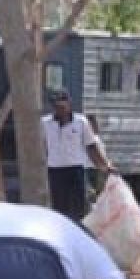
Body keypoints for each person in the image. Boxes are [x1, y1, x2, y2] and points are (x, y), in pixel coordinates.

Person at [42, 90, 114, 221]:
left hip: (75, 170)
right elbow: (42, 147)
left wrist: (105, 166)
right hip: (55, 171)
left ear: (69, 104)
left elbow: (91, 147)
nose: (59, 110)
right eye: (56, 107)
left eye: (62, 106)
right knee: (59, 210)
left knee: (79, 208)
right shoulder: (45, 123)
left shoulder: (81, 122)